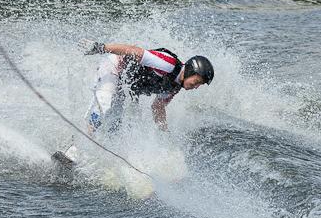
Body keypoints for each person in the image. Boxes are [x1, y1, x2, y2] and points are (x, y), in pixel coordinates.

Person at [59, 40, 214, 163]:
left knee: (114, 125)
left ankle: (90, 155)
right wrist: (101, 47)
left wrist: (164, 134)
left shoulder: (174, 87)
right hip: (113, 67)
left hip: (122, 85)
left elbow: (158, 107)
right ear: (190, 71)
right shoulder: (168, 64)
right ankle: (73, 149)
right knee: (104, 106)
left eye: (199, 85)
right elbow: (133, 51)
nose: (196, 87)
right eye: (197, 81)